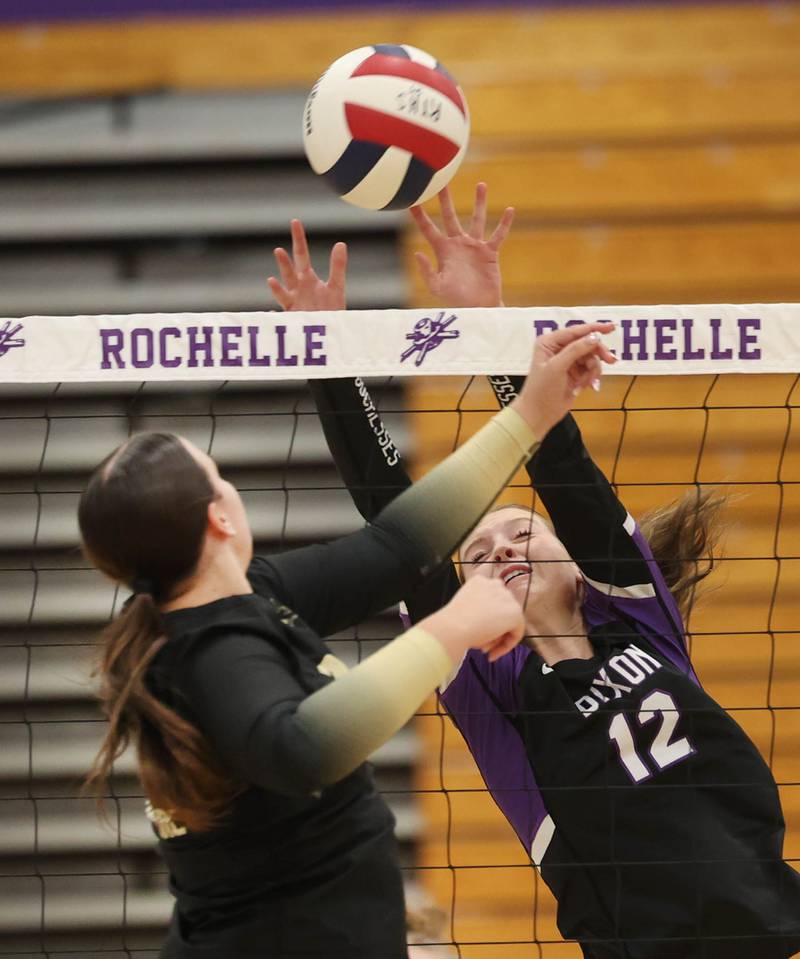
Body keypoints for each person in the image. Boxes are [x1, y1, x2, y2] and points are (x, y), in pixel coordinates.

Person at [269, 186, 800, 959]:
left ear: (575, 565)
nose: (501, 550)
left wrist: (491, 326)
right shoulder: (491, 683)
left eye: (520, 530)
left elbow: (563, 467)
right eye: (477, 555)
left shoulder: (635, 615)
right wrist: (333, 359)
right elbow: (395, 517)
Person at [78, 299, 614, 959]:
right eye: (219, 475)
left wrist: (533, 411)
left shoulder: (250, 598)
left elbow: (400, 545)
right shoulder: (208, 654)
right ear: (220, 517)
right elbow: (304, 746)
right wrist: (454, 625)